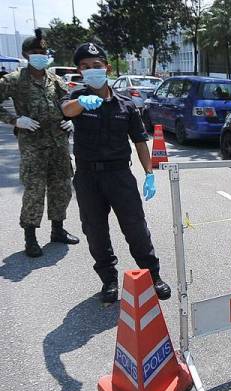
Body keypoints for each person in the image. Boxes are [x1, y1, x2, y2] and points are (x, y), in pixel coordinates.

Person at [61, 42, 171, 303]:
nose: (91, 71)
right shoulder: (75, 99)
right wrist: (81, 103)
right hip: (88, 177)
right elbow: (65, 110)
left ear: (107, 68)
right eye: (85, 67)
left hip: (120, 175)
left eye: (96, 66)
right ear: (80, 71)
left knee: (136, 228)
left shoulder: (126, 105)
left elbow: (140, 141)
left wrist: (150, 173)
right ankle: (109, 280)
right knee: (95, 230)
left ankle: (152, 275)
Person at [0, 29, 79, 257]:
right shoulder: (14, 80)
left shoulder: (56, 80)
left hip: (58, 144)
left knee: (61, 187)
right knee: (34, 192)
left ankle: (58, 229)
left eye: (43, 52)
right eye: (35, 52)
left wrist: (70, 120)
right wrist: (15, 120)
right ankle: (31, 237)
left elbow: (69, 104)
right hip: (33, 145)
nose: (40, 55)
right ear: (26, 54)